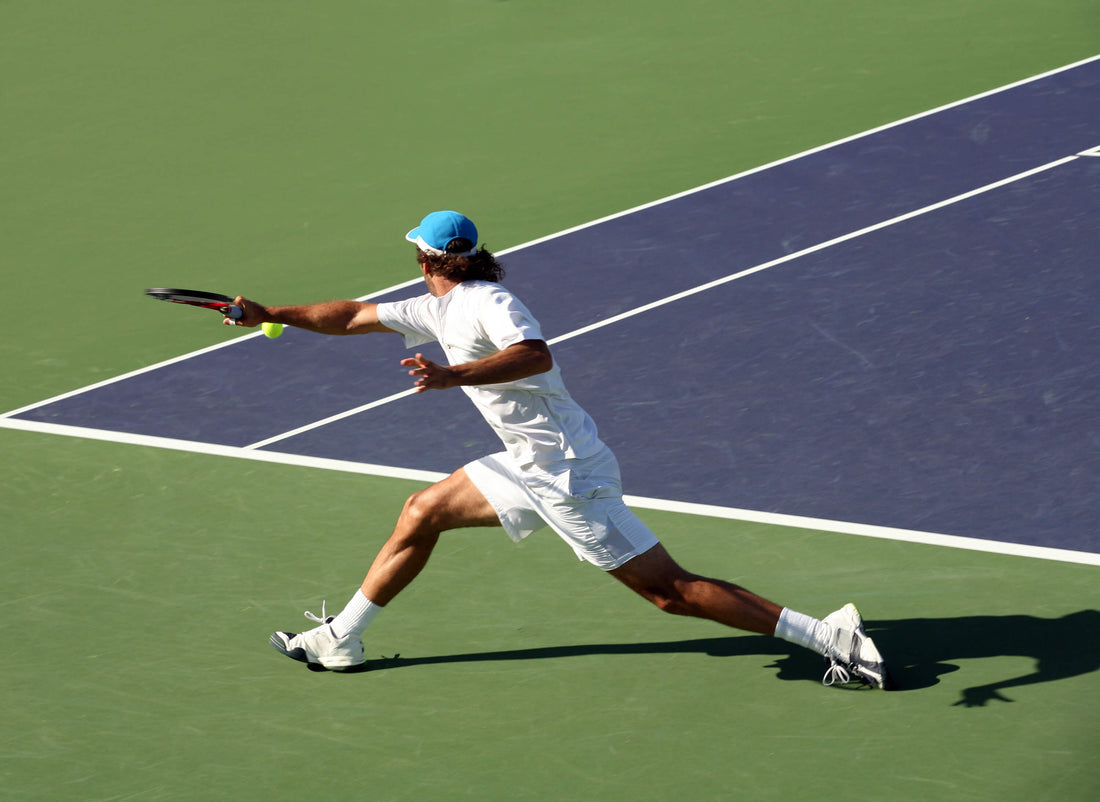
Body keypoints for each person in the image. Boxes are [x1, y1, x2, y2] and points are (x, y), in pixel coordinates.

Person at [230, 210, 889, 688]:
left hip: (566, 475)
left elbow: (533, 353)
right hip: (528, 463)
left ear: (427, 260)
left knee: (671, 592)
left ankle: (831, 638)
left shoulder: (490, 302)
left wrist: (452, 375)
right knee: (423, 511)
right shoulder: (440, 308)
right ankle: (341, 639)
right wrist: (272, 315)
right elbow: (349, 315)